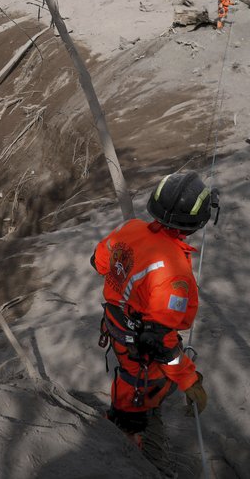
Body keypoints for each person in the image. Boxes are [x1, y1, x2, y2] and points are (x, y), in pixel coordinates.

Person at [92, 171, 218, 472]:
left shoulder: (132, 228)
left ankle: (123, 424)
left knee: (126, 386)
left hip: (117, 327)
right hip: (140, 352)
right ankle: (143, 458)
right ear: (196, 222)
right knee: (140, 409)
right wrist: (188, 380)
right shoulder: (174, 275)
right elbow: (159, 341)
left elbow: (98, 261)